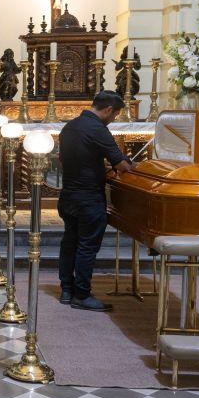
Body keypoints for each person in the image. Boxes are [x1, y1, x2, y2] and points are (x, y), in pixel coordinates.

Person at [57, 91, 133, 312]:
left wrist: (97, 167)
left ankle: (66, 290)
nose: (115, 119)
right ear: (108, 109)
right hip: (89, 199)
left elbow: (71, 160)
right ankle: (82, 294)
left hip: (68, 196)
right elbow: (122, 166)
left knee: (69, 242)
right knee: (87, 247)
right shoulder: (98, 129)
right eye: (116, 114)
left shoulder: (69, 127)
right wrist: (126, 165)